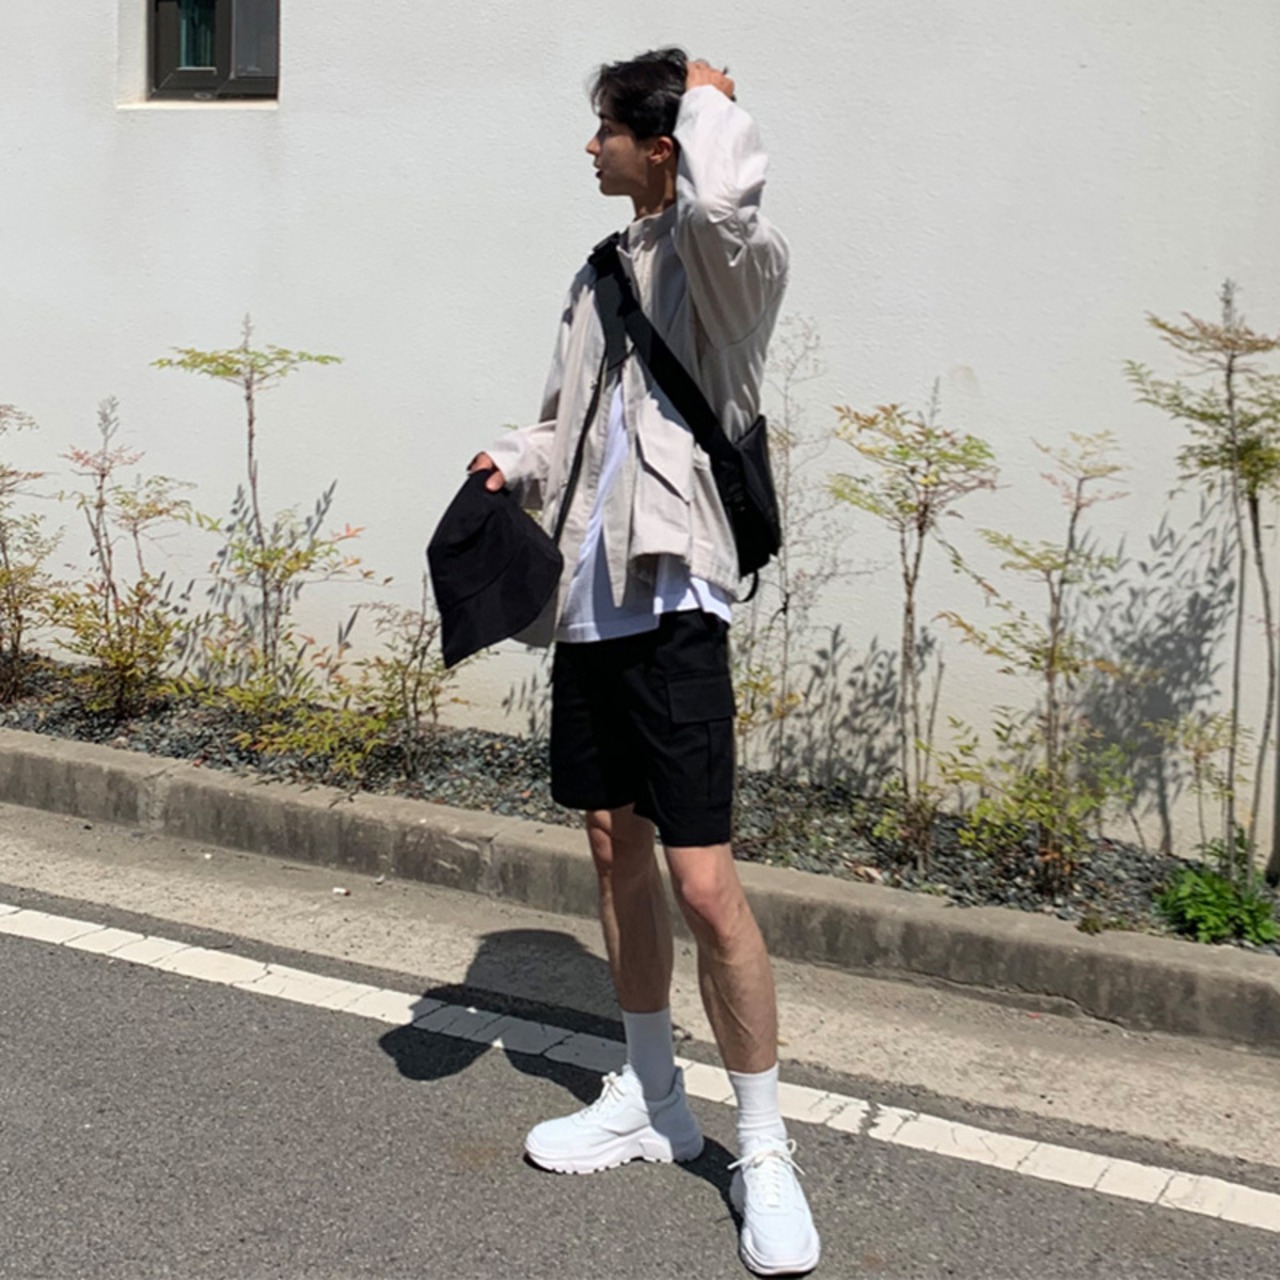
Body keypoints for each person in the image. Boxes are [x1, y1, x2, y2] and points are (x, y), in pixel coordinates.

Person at [468, 48, 819, 1277]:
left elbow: (723, 208)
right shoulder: (597, 272)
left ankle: (761, 1146)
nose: (589, 147)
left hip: (675, 603)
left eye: (606, 130)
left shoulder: (728, 264)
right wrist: (510, 458)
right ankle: (652, 1093)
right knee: (611, 843)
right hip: (590, 603)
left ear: (658, 145)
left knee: (705, 883)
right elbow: (567, 422)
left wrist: (711, 96)